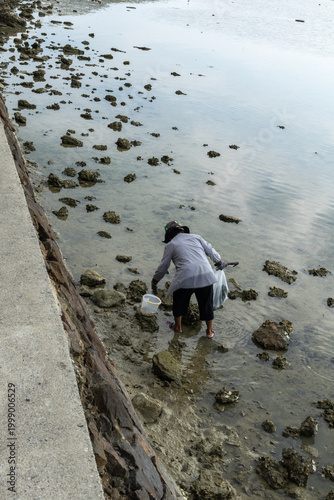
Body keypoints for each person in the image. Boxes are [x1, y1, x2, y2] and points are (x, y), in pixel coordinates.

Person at [151, 221, 238, 339]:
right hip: (206, 275)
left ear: (169, 236)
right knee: (206, 304)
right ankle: (209, 332)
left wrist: (155, 281)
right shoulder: (196, 237)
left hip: (185, 278)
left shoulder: (170, 245)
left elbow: (163, 267)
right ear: (182, 230)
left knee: (179, 302)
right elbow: (211, 251)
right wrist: (218, 262)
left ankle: (177, 327)